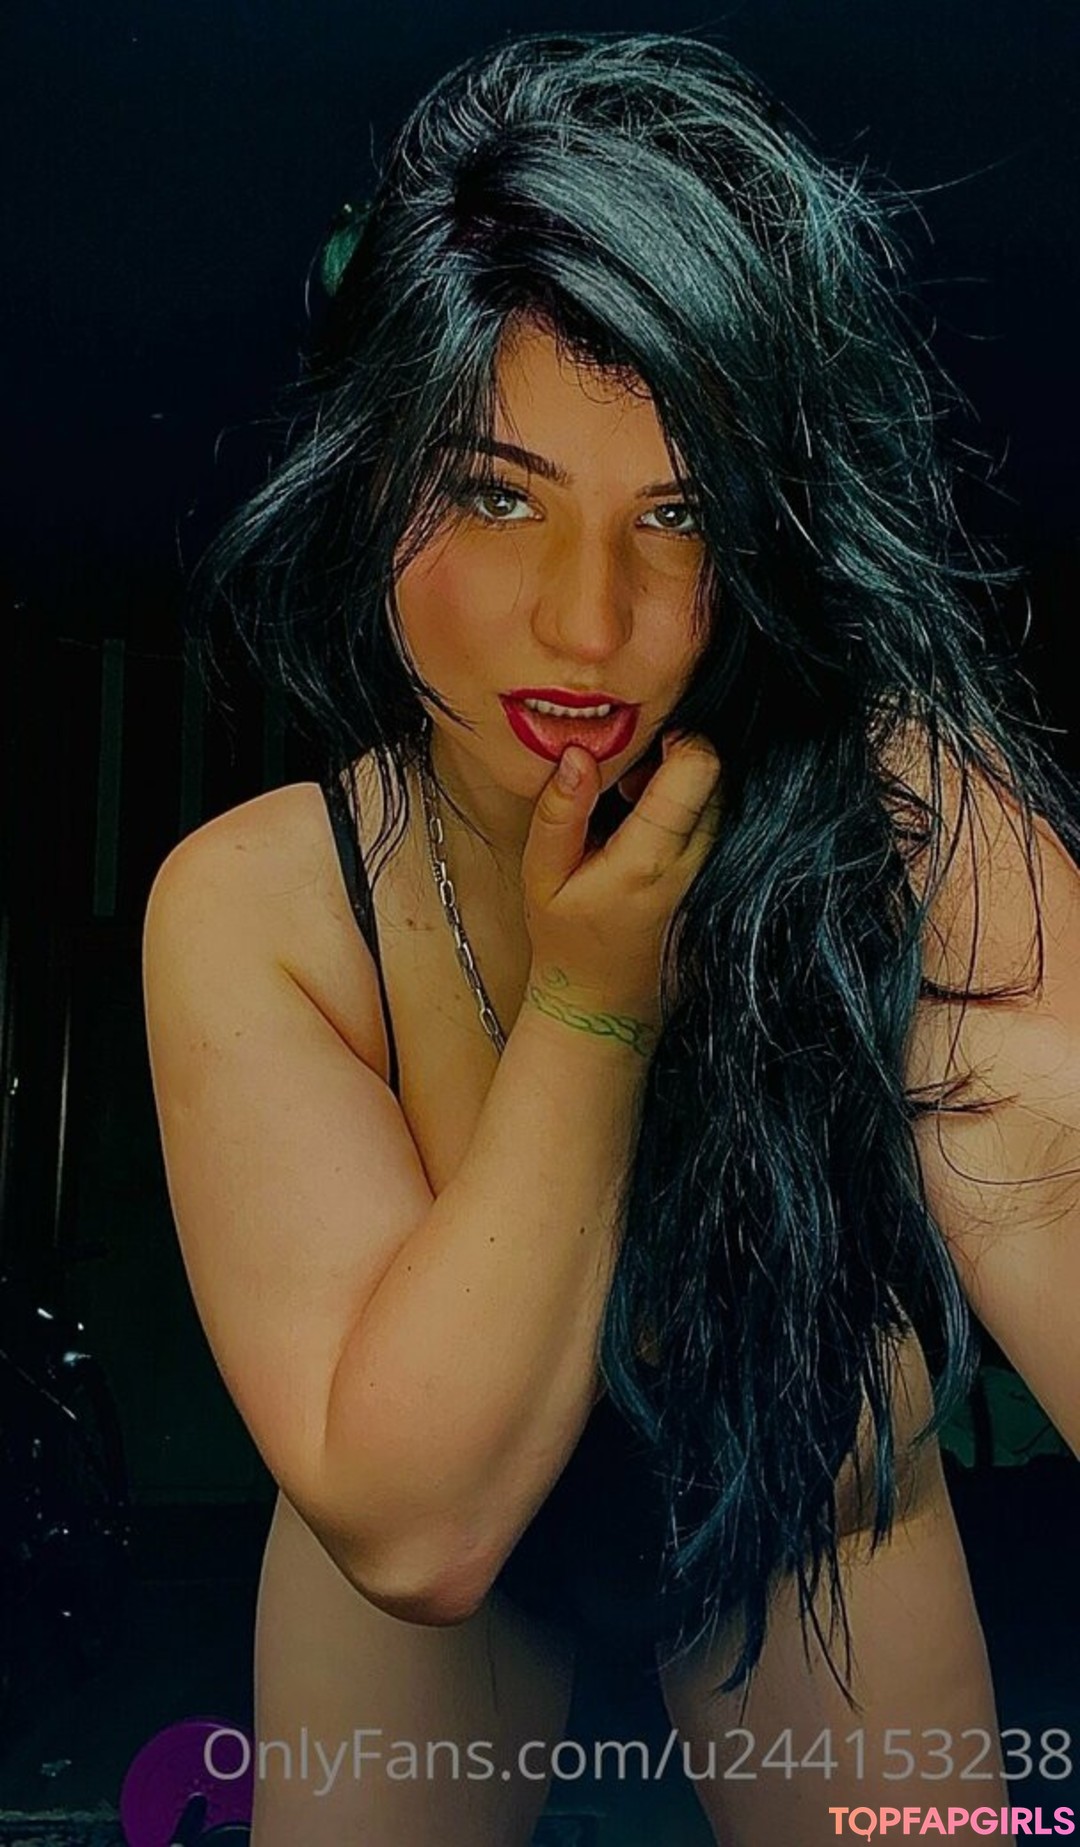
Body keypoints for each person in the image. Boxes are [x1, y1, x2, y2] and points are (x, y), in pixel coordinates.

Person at [143, 29, 1080, 1846]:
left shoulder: (902, 817)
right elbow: (415, 1532)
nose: (588, 624)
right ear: (373, 478)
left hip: (818, 1505)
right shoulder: (267, 903)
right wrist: (591, 1006)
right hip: (441, 1583)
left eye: (681, 514)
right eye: (499, 496)